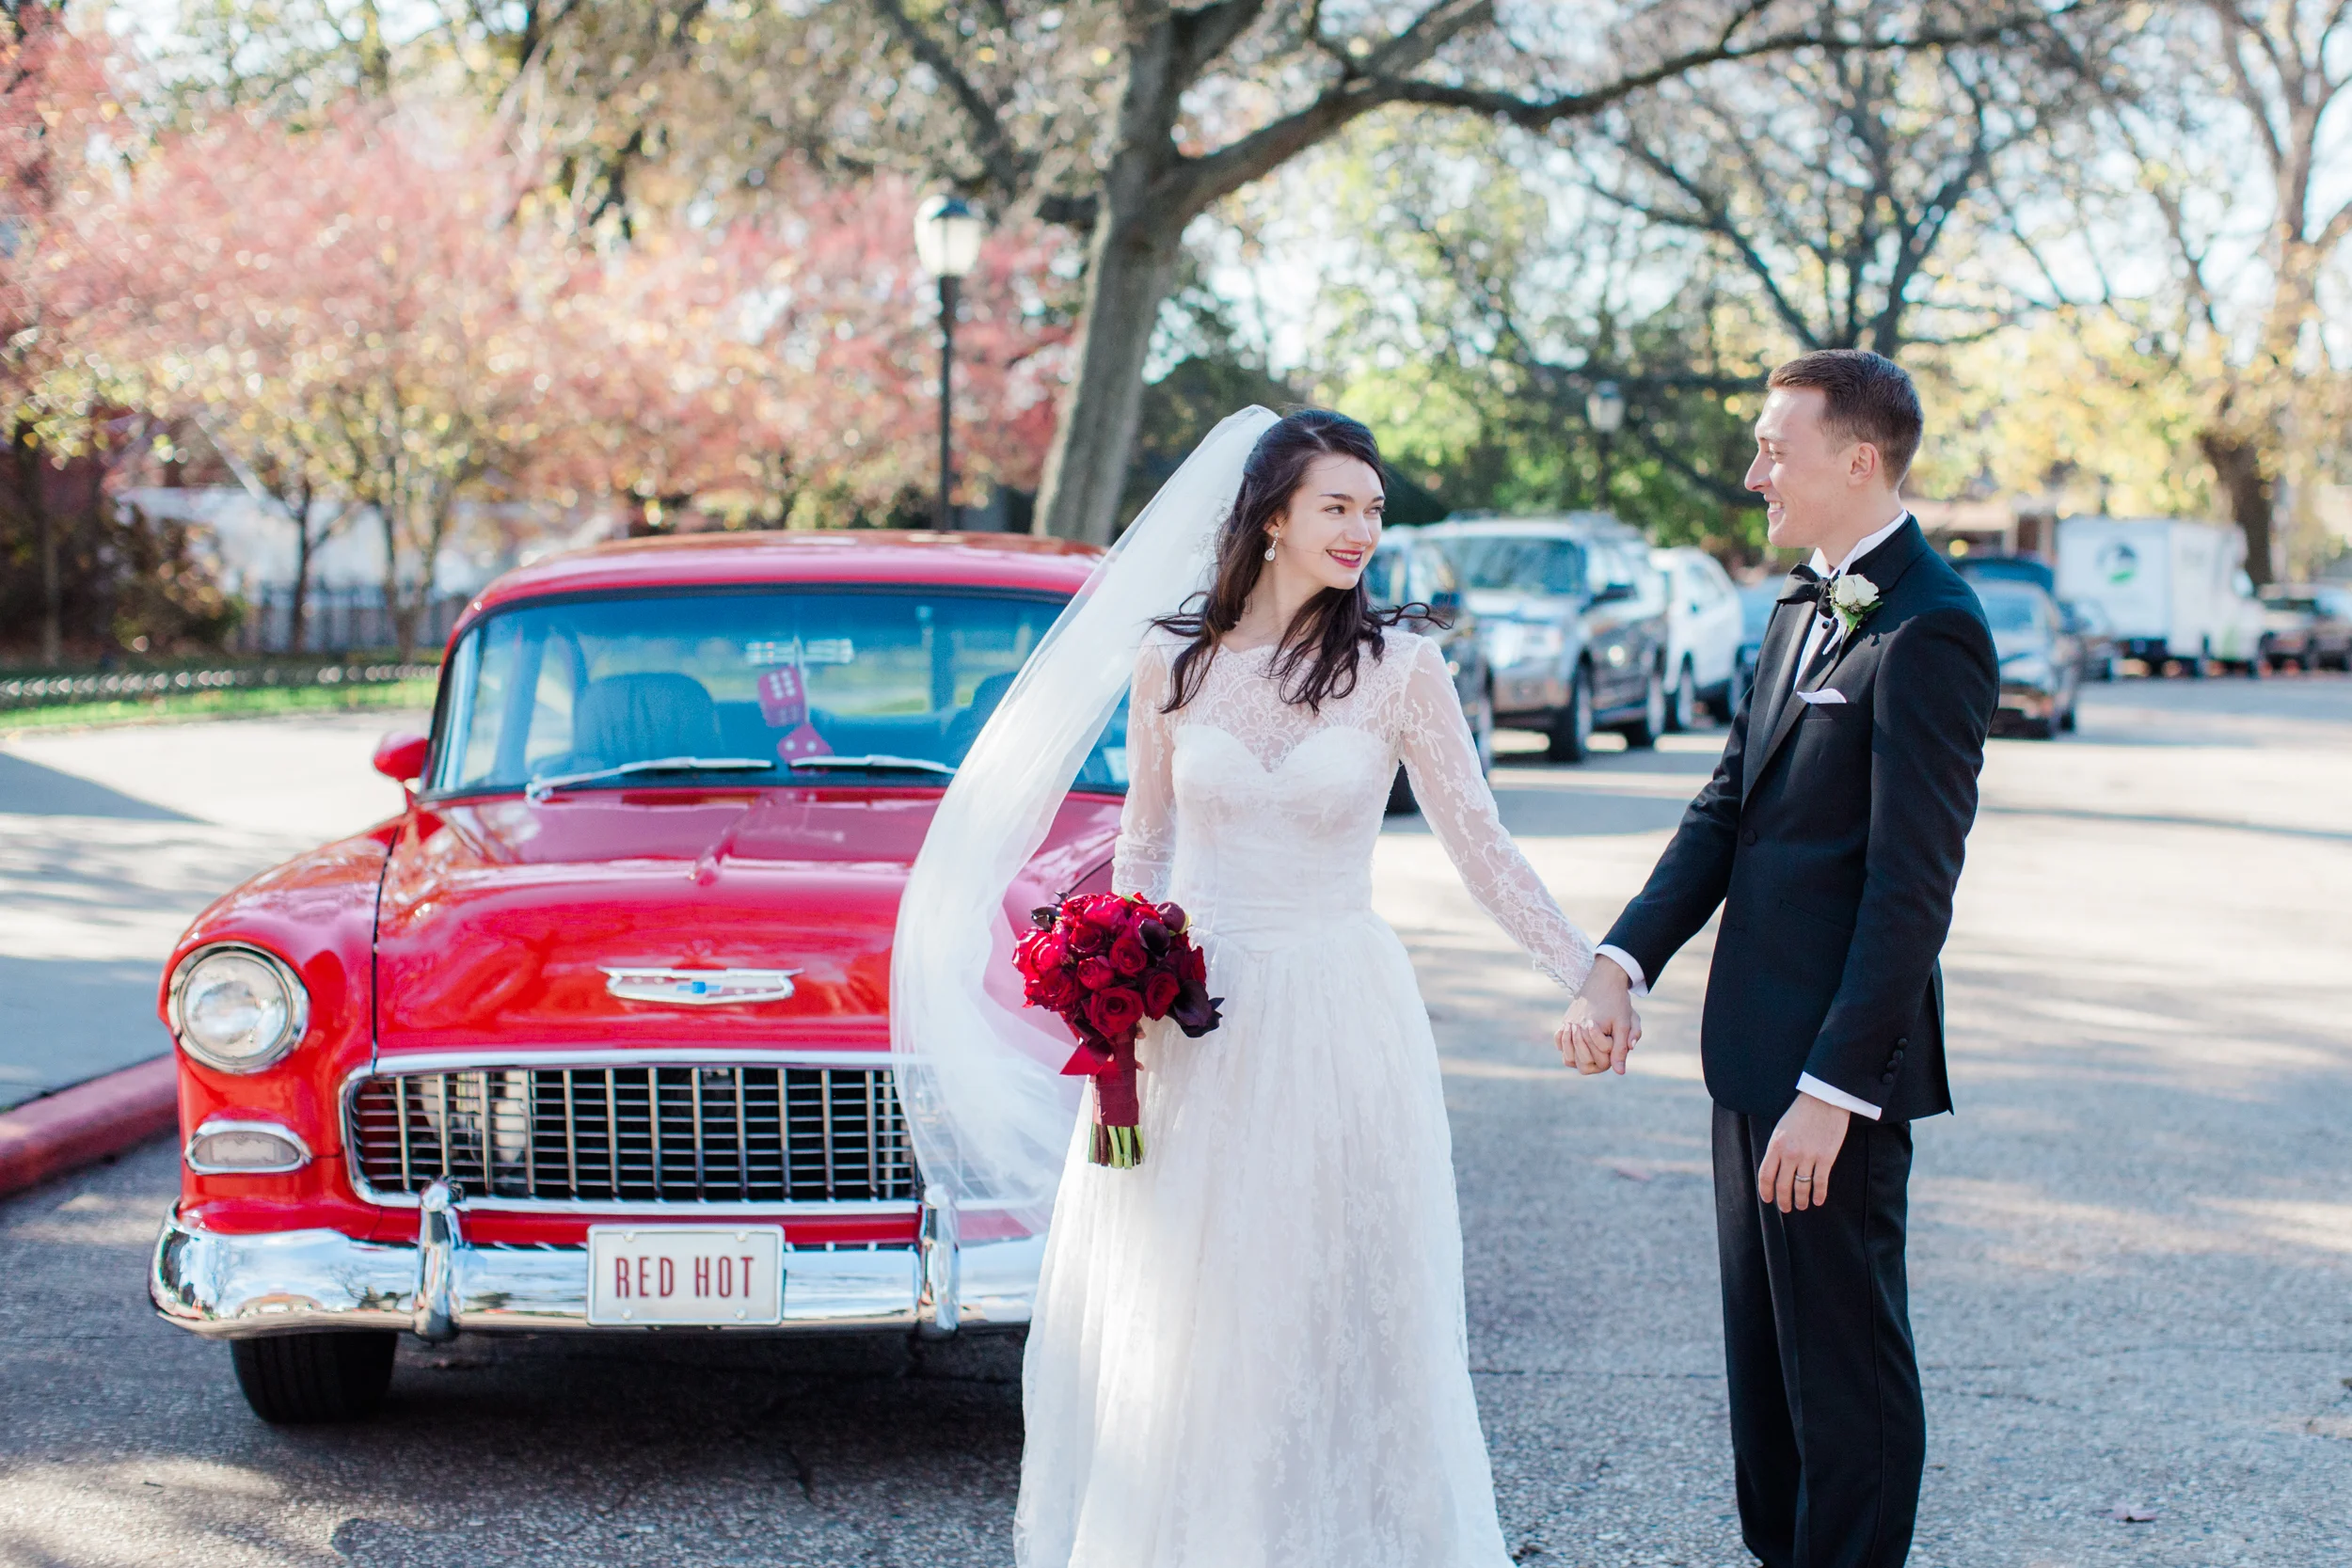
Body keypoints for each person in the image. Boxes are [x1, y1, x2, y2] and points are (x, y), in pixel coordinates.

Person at [1011, 409, 1604, 1567]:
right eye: (1339, 505)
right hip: (1204, 1017)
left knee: (1345, 1293)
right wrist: (1113, 990)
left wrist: (1585, 968)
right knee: (1201, 1304)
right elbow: (1143, 848)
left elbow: (1478, 841)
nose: (1363, 529)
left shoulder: (1402, 667)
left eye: (1374, 509)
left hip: (1341, 1009)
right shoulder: (1171, 662)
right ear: (1272, 517)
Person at [1565, 350, 1998, 1568]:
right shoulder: (1795, 607)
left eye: (1775, 448)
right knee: (1764, 1377)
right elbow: (1726, 808)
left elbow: (1912, 892)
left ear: (1857, 460)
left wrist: (1832, 1093)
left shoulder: (1934, 628)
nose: (1756, 471)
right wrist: (1622, 956)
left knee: (1846, 1376)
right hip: (1747, 1059)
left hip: (1829, 1086)